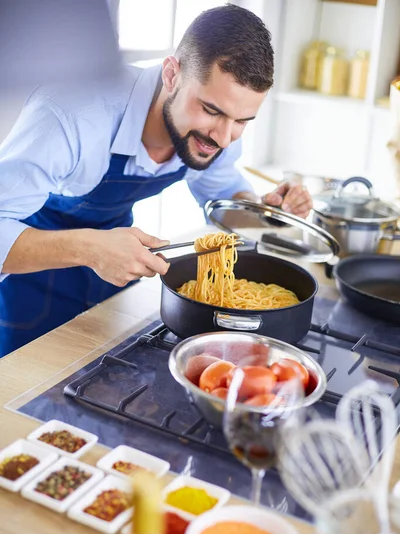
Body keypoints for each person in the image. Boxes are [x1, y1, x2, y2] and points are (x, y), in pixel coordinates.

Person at [0, 4, 312, 358]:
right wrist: (89, 248)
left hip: (111, 281)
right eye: (212, 111)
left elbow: (224, 196)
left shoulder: (213, 135)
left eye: (243, 121)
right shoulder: (72, 114)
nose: (225, 138)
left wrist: (265, 211)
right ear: (171, 75)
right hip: (28, 281)